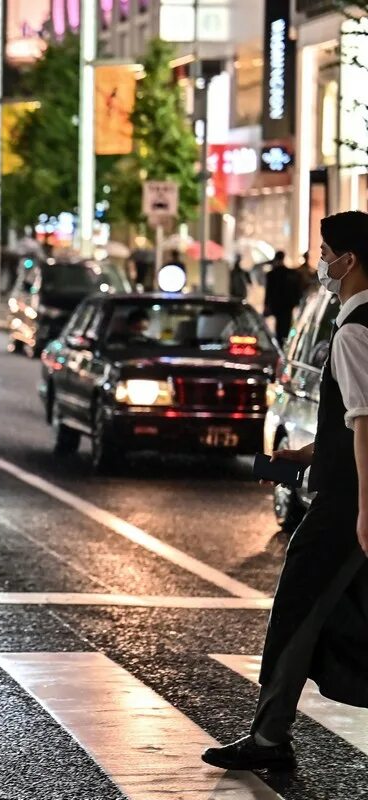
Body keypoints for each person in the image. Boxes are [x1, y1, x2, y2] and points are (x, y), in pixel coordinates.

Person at [203, 211, 368, 771]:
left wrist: (364, 509)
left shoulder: (355, 331)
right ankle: (270, 735)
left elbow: (366, 423)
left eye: (325, 252)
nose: (319, 262)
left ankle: (270, 739)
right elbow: (351, 424)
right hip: (348, 493)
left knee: (297, 610)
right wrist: (305, 454)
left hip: (345, 506)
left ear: (349, 260)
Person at [264, 250, 302, 344]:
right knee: (286, 325)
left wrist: (266, 305)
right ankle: (285, 342)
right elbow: (296, 289)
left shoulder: (272, 274)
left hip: (277, 305)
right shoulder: (290, 273)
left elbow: (268, 292)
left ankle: (281, 342)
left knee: (279, 327)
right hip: (288, 305)